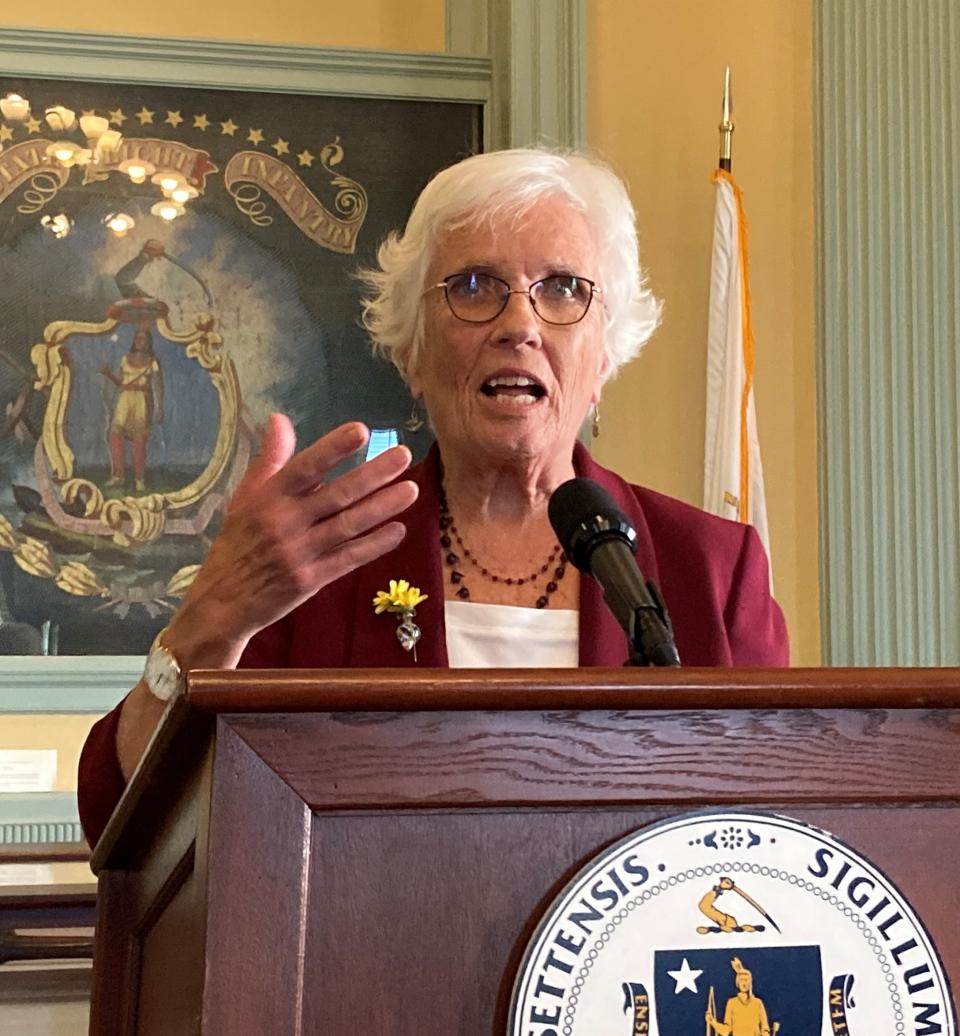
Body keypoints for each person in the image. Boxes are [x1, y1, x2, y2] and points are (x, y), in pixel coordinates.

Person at [78, 148, 788, 846]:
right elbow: (120, 818)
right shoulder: (315, 560)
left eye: (564, 288)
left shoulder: (714, 568)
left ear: (605, 356)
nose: (520, 325)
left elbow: (778, 827)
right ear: (412, 352)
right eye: (475, 286)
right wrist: (212, 619)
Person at [100, 328, 163, 492]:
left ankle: (139, 479)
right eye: (137, 338)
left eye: (143, 339)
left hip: (142, 401)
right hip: (125, 399)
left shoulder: (152, 362)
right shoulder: (125, 359)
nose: (140, 342)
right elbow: (121, 382)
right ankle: (118, 476)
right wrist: (108, 374)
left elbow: (157, 386)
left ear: (148, 342)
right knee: (115, 436)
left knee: (139, 441)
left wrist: (158, 406)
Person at [705, 958, 773, 1036]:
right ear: (737, 983)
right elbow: (726, 1031)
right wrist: (712, 1022)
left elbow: (765, 1029)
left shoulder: (757, 1003)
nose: (744, 983)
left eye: (746, 980)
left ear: (750, 983)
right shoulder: (732, 1003)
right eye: (741, 980)